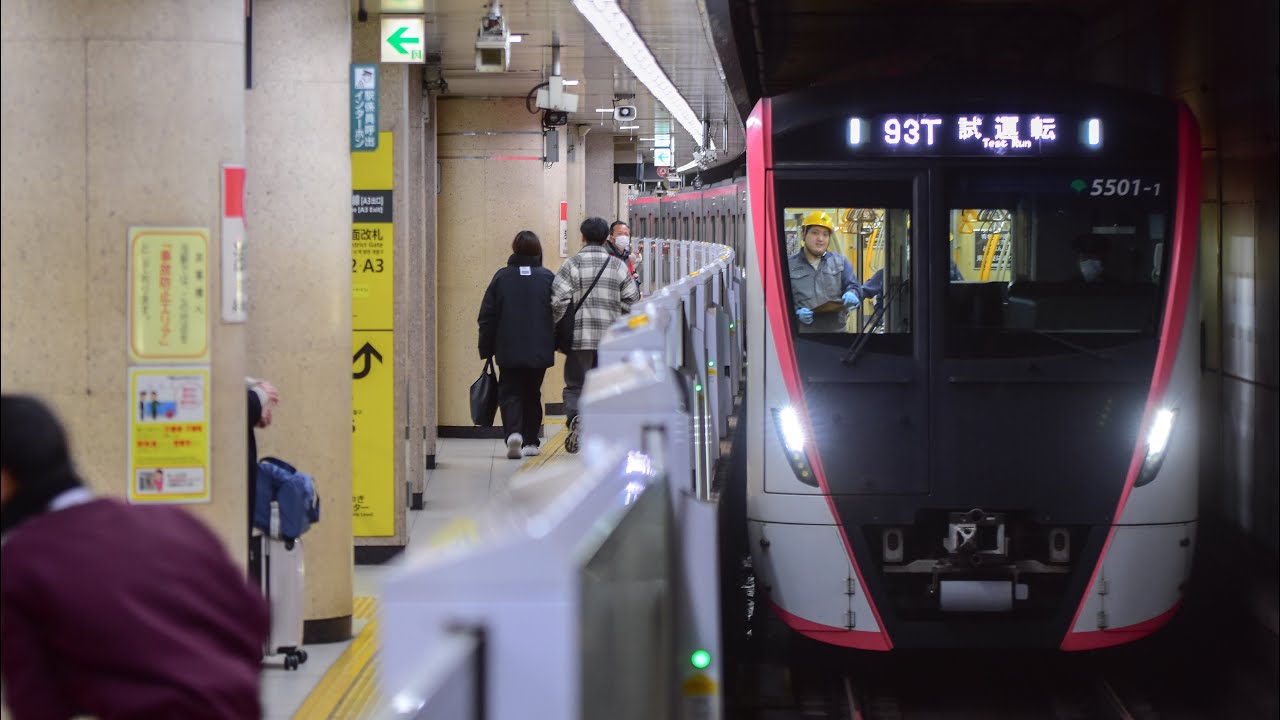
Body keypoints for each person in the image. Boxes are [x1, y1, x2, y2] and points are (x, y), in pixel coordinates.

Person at [1, 394, 270, 720]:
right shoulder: (171, 522)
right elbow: (253, 613)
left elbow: (37, 705)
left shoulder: (22, 562)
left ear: (5, 479)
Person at [552, 217, 641, 453]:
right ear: (606, 238)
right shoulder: (618, 266)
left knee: (575, 385)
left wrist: (560, 321)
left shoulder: (572, 264)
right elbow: (633, 300)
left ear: (582, 237)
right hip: (610, 340)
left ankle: (576, 419)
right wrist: (615, 311)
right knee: (606, 384)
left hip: (578, 339)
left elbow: (557, 300)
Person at [478, 230, 556, 459]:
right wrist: (559, 341)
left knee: (510, 392)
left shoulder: (501, 277)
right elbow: (559, 311)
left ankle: (514, 433)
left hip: (507, 347)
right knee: (532, 392)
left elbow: (487, 315)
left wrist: (486, 347)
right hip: (539, 348)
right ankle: (531, 441)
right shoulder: (547, 277)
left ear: (515, 248)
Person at [788, 210, 861, 333]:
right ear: (803, 234)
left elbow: (853, 285)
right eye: (815, 233)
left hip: (838, 333)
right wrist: (795, 312)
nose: (820, 239)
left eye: (825, 234)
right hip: (804, 335)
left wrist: (853, 293)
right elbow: (780, 300)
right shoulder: (789, 265)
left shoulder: (841, 262)